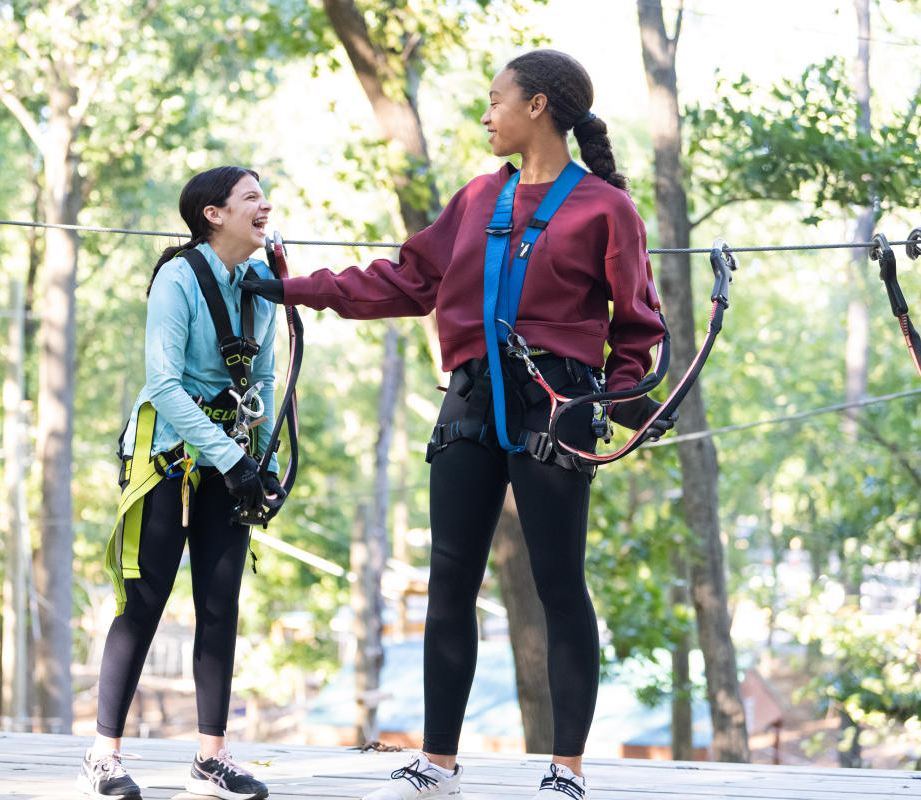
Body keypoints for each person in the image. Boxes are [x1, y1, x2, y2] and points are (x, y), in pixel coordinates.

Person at [242, 49, 673, 800]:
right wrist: (289, 287)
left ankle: (565, 771)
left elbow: (637, 328)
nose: (486, 113)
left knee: (559, 585)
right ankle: (436, 765)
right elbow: (405, 280)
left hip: (556, 407)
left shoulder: (607, 209)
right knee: (450, 584)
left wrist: (620, 397)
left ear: (538, 107)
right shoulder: (477, 200)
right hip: (471, 403)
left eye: (495, 99)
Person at [77, 165, 282, 800]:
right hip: (168, 454)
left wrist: (263, 456)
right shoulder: (178, 279)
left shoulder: (261, 288)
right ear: (213, 214)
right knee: (143, 604)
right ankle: (103, 754)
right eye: (252, 197)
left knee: (220, 606)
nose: (265, 206)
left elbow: (266, 378)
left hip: (231, 458)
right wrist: (230, 457)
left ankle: (210, 760)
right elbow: (165, 385)